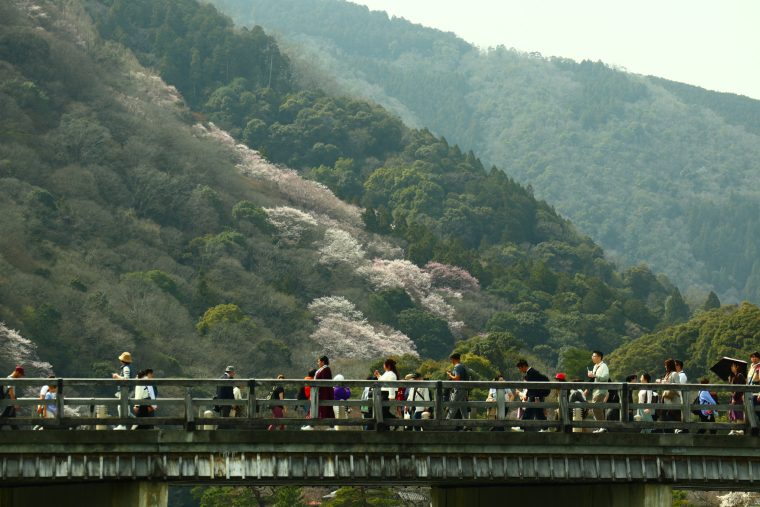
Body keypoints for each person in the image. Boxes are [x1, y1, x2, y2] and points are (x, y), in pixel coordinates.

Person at [516, 359, 548, 431]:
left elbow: (531, 387)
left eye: (520, 368)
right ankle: (545, 428)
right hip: (536, 395)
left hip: (535, 395)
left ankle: (522, 426)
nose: (520, 370)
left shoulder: (531, 373)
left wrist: (528, 395)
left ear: (524, 366)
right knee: (537, 411)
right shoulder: (532, 372)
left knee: (530, 410)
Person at [446, 353, 470, 429]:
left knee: (453, 405)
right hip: (464, 389)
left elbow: (457, 378)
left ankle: (446, 423)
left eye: (451, 360)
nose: (451, 361)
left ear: (453, 359)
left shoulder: (457, 367)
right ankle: (467, 425)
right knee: (463, 407)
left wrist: (449, 374)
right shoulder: (462, 366)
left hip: (459, 389)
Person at [658, 358, 682, 432]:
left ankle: (677, 431)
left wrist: (665, 382)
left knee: (673, 418)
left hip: (673, 400)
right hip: (666, 399)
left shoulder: (674, 374)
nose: (665, 367)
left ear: (669, 365)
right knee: (665, 418)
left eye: (666, 365)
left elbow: (678, 385)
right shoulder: (667, 374)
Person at [586, 350, 609, 424]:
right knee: (595, 408)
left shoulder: (604, 366)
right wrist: (591, 375)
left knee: (596, 408)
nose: (592, 357)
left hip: (601, 391)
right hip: (595, 391)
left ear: (599, 357)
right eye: (592, 356)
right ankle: (601, 426)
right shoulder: (595, 366)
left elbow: (605, 377)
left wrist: (594, 375)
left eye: (594, 356)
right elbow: (594, 378)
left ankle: (603, 426)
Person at [374, 358, 398, 429]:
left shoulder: (392, 374)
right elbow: (382, 380)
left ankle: (395, 421)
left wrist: (391, 396)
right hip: (384, 393)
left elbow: (391, 385)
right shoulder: (387, 373)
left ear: (388, 366)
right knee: (383, 411)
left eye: (384, 364)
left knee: (383, 411)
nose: (383, 366)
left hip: (387, 394)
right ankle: (387, 426)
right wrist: (378, 375)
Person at [112, 352, 133, 427]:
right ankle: (132, 423)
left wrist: (117, 376)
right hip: (127, 390)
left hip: (125, 390)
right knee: (125, 407)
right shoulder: (128, 367)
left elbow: (126, 379)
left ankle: (123, 425)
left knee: (121, 406)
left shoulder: (126, 368)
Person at [315, 356, 335, 423]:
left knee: (326, 409)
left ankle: (330, 425)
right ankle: (312, 425)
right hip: (321, 392)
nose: (318, 363)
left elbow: (325, 383)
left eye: (319, 361)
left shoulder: (326, 369)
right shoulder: (322, 369)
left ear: (323, 362)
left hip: (324, 393)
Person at [728, 361, 746, 435]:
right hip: (733, 397)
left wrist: (734, 398)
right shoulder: (733, 376)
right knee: (733, 413)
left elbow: (739, 389)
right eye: (731, 366)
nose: (732, 368)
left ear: (737, 367)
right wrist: (730, 381)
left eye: (733, 366)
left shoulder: (740, 375)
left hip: (738, 398)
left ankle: (740, 429)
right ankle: (734, 429)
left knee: (738, 413)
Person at [748, 352, 760, 435]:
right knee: (752, 412)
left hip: (757, 393)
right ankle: (754, 430)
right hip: (750, 393)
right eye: (752, 357)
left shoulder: (759, 367)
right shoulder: (751, 367)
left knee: (758, 413)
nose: (753, 358)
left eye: (755, 357)